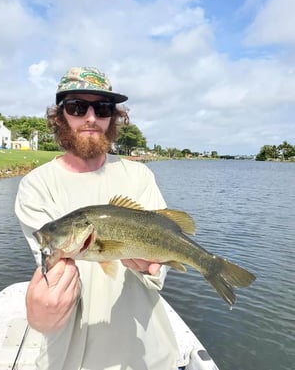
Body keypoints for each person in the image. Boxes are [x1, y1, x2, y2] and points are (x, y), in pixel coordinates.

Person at [15, 66, 181, 370]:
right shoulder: (36, 186)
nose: (91, 117)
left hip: (145, 356)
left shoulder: (139, 175)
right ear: (60, 116)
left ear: (113, 117)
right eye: (77, 107)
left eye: (102, 108)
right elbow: (53, 266)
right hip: (70, 358)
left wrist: (152, 266)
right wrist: (41, 311)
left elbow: (159, 265)